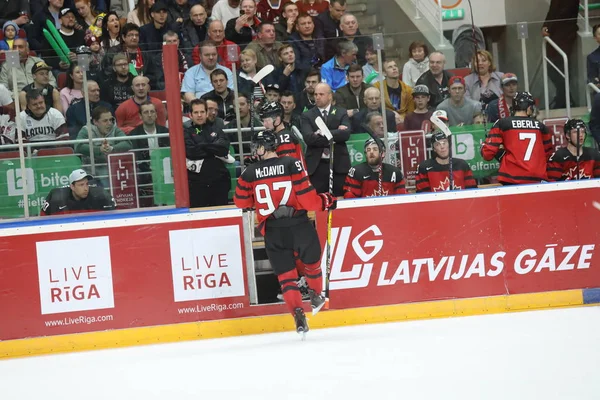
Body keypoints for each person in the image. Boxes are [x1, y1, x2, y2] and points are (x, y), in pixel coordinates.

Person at [233, 129, 334, 335]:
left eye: (256, 147)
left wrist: (252, 187)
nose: (254, 151)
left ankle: (297, 314)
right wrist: (326, 201)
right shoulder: (291, 163)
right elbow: (307, 200)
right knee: (312, 266)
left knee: (286, 278)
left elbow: (240, 202)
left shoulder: (250, 172)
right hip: (298, 225)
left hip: (273, 231)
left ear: (263, 147)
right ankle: (316, 295)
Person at [481, 92, 553, 185]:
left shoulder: (502, 123)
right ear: (529, 108)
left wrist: (483, 148)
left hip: (511, 178)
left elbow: (488, 154)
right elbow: (548, 154)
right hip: (536, 177)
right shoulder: (541, 127)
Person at [300, 82, 351, 195]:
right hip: (317, 167)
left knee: (340, 200)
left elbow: (346, 134)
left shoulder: (341, 112)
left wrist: (321, 133)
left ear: (330, 96)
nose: (317, 97)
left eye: (321, 94)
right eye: (315, 94)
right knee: (318, 201)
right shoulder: (307, 115)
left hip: (339, 165)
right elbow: (309, 138)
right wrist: (336, 133)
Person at [184, 98, 231, 207]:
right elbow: (191, 152)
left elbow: (223, 148)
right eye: (196, 112)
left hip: (219, 180)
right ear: (190, 115)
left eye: (202, 112)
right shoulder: (186, 131)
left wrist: (202, 146)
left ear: (206, 113)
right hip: (197, 183)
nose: (199, 115)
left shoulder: (216, 129)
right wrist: (212, 148)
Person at [129, 101, 170, 206]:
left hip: (164, 171)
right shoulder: (134, 135)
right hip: (145, 172)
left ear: (156, 114)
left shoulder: (165, 132)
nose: (150, 115)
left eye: (152, 112)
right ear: (140, 116)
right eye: (146, 112)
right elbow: (137, 158)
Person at [542, 0, 579, 109]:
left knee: (559, 67)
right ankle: (565, 99)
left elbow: (564, 12)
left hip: (565, 33)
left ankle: (564, 99)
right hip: (555, 33)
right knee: (553, 68)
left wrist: (549, 27)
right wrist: (545, 25)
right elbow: (552, 11)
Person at [41, 169, 116, 216]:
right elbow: (42, 220)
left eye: (87, 184)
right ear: (72, 187)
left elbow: (116, 216)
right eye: (81, 185)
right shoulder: (56, 198)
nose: (86, 188)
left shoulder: (101, 195)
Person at [258, 101, 305, 167]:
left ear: (277, 119)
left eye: (267, 120)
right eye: (263, 121)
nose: (264, 124)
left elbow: (288, 166)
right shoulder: (278, 136)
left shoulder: (284, 137)